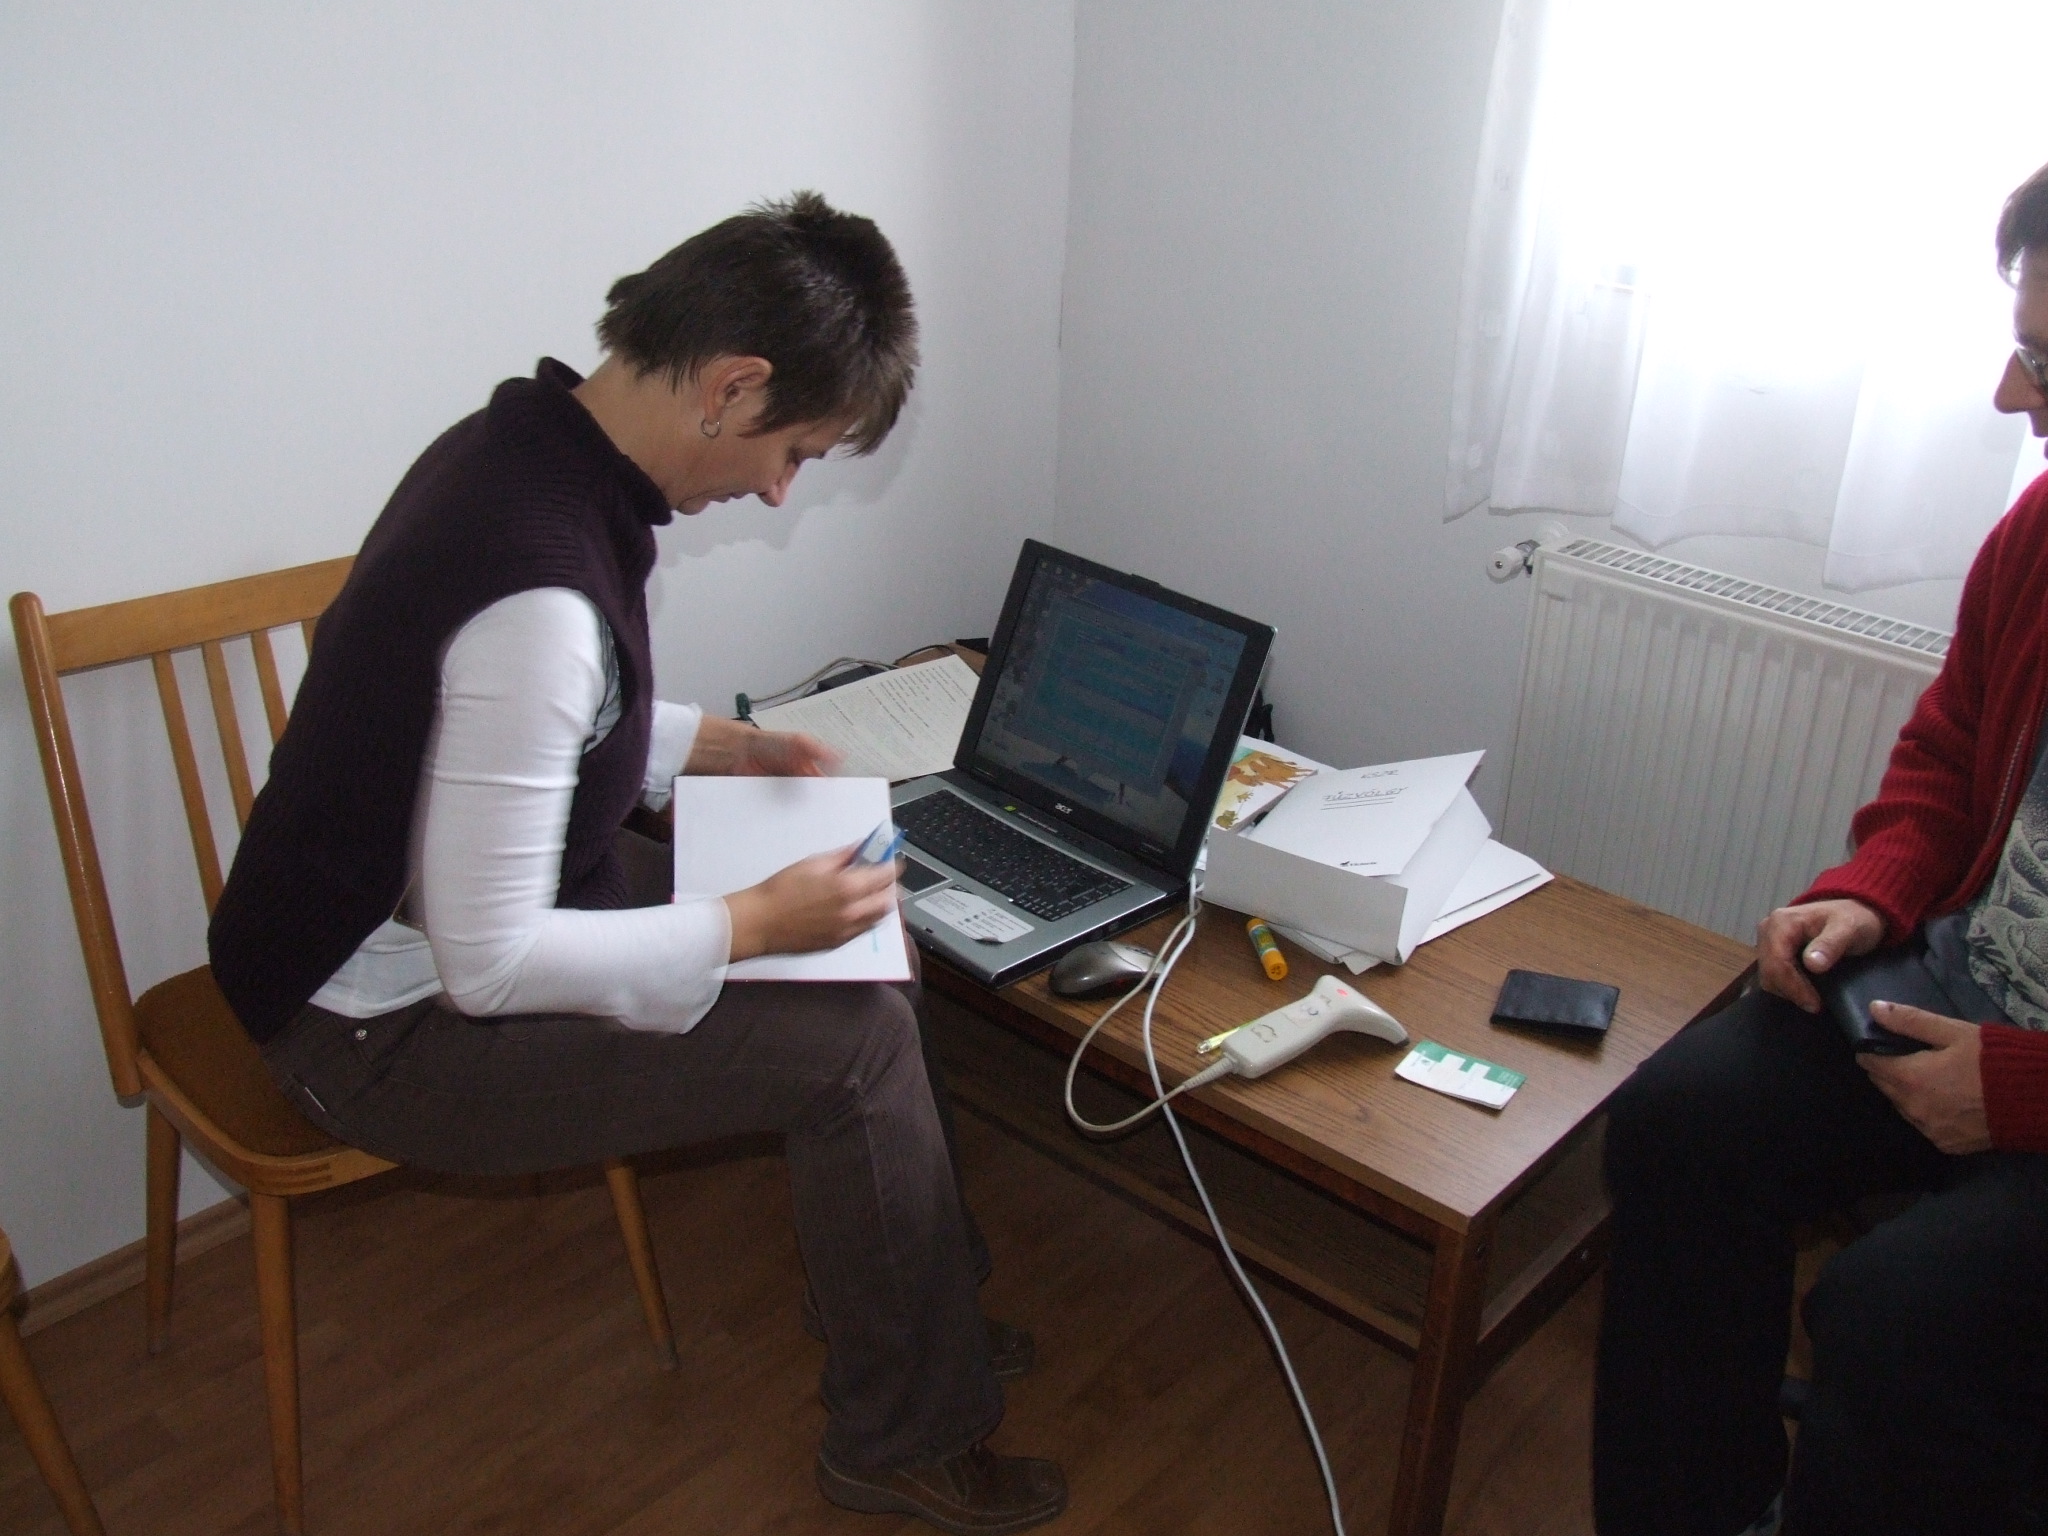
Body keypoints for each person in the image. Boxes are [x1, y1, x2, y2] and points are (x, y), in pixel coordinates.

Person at [207, 191, 1067, 1535]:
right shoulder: (542, 585)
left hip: (425, 920)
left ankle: (913, 1303)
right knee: (853, 1045)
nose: (777, 490)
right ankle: (902, 1434)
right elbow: (491, 964)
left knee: (867, 958)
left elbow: (520, 716)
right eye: (793, 451)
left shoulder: (512, 452)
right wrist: (750, 924)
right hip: (375, 1027)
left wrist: (719, 745)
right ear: (731, 387)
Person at [1592, 162, 2048, 1536]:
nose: (2009, 397)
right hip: (1966, 1003)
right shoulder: (2036, 535)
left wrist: (2021, 1095)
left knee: (1894, 1322)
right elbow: (1948, 756)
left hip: (2027, 1080)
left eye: (2042, 360)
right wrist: (1873, 890)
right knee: (1679, 1121)